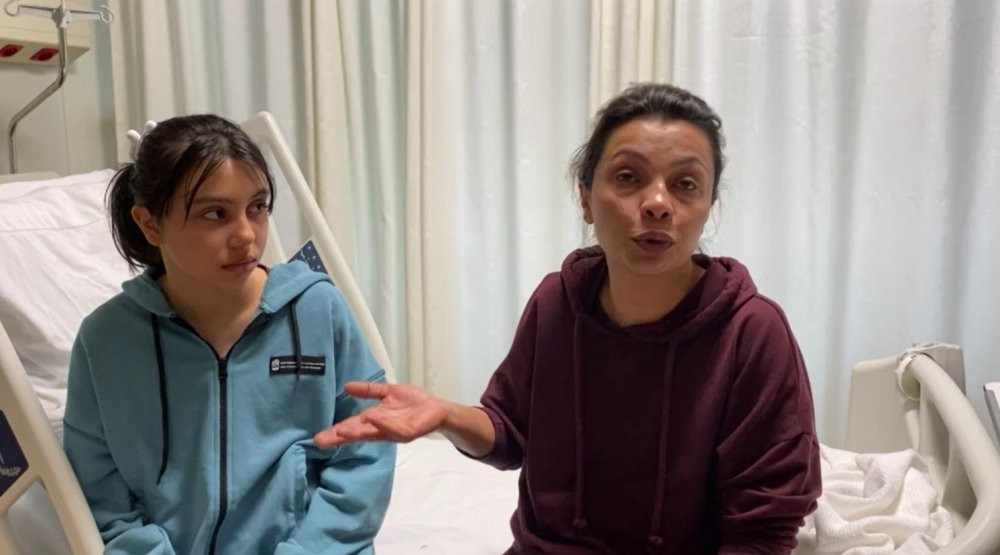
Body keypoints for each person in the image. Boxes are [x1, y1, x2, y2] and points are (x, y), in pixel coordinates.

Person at [315, 83, 822, 554]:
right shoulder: (557, 303)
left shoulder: (751, 333)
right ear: (585, 198)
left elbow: (764, 529)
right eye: (629, 177)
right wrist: (445, 415)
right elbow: (509, 433)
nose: (657, 203)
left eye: (685, 184)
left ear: (709, 205)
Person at [63, 114, 395, 554]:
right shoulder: (107, 342)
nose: (246, 235)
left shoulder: (316, 311)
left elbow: (366, 452)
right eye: (215, 214)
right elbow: (101, 495)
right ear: (150, 224)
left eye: (257, 208)